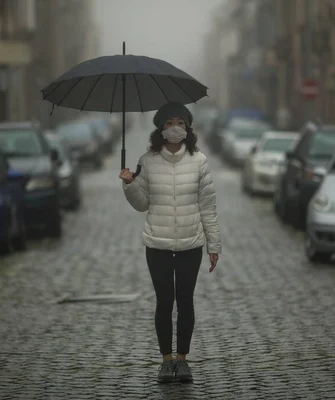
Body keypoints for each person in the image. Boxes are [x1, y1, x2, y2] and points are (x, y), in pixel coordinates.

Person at [119, 102, 222, 383]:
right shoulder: (148, 161)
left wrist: (214, 245)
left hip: (191, 244)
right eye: (168, 123)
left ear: (187, 128)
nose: (174, 127)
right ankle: (166, 361)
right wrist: (129, 184)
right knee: (165, 301)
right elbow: (141, 204)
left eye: (179, 122)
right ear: (160, 129)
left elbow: (208, 207)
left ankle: (183, 360)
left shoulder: (199, 161)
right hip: (158, 245)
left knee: (185, 301)